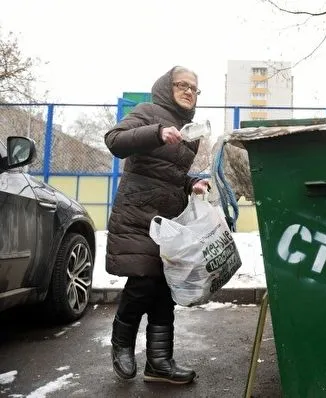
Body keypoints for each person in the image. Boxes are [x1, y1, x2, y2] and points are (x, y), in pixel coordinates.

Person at [104, 66, 209, 384]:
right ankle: (121, 343)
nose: (189, 91)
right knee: (142, 284)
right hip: (137, 216)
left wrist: (192, 183)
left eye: (194, 88)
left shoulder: (190, 129)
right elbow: (115, 140)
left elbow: (169, 174)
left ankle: (159, 363)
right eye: (182, 85)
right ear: (167, 86)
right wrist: (156, 131)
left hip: (169, 225)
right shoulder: (148, 111)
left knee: (164, 290)